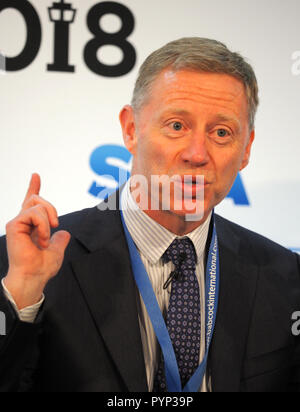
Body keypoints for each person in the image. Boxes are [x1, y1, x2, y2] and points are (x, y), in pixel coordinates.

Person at [0, 37, 300, 393]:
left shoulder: (285, 278)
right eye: (177, 125)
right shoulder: (29, 261)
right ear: (130, 129)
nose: (197, 153)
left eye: (221, 132)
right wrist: (21, 295)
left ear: (246, 148)